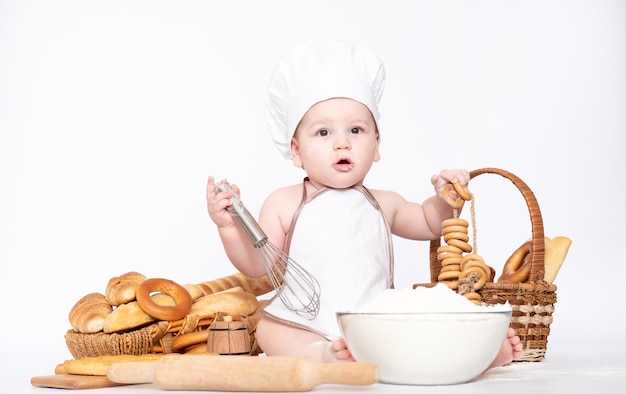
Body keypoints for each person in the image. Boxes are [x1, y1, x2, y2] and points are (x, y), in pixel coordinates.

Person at [207, 39, 521, 365]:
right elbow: (258, 264)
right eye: (323, 133)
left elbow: (430, 223)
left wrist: (445, 197)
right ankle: (325, 354)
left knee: (428, 314)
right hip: (304, 321)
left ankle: (477, 353)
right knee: (270, 330)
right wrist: (229, 227)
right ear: (296, 151)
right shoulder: (283, 203)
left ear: (376, 144)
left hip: (376, 321)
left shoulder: (384, 203)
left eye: (356, 130)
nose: (342, 143)